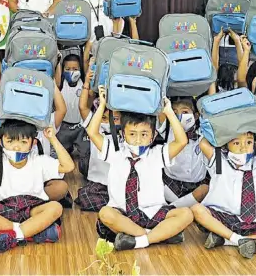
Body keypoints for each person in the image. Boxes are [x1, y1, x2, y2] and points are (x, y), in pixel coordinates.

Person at [87, 89, 194, 251]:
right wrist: (102, 104)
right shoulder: (115, 151)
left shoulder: (157, 154)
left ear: (152, 136)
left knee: (186, 214)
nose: (138, 140)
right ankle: (157, 235)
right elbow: (92, 132)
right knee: (105, 213)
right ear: (123, 134)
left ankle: (139, 240)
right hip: (123, 214)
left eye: (144, 134)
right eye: (132, 134)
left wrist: (169, 112)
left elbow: (181, 141)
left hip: (153, 212)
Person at [0, 119, 75, 254]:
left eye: (23, 142)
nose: (16, 147)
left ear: (33, 143)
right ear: (1, 142)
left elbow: (69, 166)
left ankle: (11, 237)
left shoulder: (39, 161)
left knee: (56, 207)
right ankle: (31, 232)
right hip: (3, 209)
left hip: (32, 208)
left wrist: (53, 138)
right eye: (10, 141)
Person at [191, 133, 256, 259]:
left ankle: (226, 239)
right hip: (220, 217)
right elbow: (203, 144)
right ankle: (235, 238)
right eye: (236, 143)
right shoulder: (219, 161)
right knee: (197, 209)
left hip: (249, 222)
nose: (243, 148)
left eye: (249, 143)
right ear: (226, 145)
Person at [74, 71, 120, 212]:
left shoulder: (127, 133)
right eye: (105, 118)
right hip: (98, 181)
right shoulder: (95, 127)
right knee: (86, 198)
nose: (109, 123)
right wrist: (87, 83)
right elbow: (82, 107)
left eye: (115, 119)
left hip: (118, 183)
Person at [159, 97, 209, 208]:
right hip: (171, 183)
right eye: (174, 112)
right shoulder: (167, 129)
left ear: (195, 116)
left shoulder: (203, 132)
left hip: (197, 184)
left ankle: (175, 209)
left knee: (204, 190)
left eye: (185, 112)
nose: (179, 116)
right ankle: (182, 210)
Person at [55, 54, 86, 159]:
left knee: (86, 153)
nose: (71, 71)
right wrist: (58, 60)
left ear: (80, 70)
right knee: (62, 154)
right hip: (64, 127)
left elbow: (85, 60)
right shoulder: (61, 84)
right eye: (67, 69)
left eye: (75, 69)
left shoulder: (84, 83)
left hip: (81, 127)